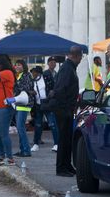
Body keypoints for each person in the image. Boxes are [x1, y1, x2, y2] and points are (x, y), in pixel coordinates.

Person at [51, 46, 83, 177]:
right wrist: (67, 108)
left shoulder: (69, 68)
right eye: (81, 57)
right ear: (76, 56)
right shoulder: (67, 68)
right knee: (63, 140)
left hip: (67, 109)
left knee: (67, 139)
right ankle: (61, 168)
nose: (81, 60)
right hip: (63, 109)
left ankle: (67, 165)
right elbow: (60, 89)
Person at [30, 66, 59, 152]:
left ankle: (56, 144)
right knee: (38, 125)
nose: (33, 74)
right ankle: (36, 143)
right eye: (32, 72)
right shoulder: (32, 82)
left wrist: (50, 96)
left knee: (52, 124)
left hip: (47, 104)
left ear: (38, 73)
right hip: (38, 105)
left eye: (34, 72)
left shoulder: (46, 79)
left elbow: (53, 88)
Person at [12, 59, 34, 157]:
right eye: (16, 65)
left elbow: (27, 87)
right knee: (19, 127)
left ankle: (26, 150)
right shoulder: (17, 76)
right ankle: (22, 149)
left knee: (21, 127)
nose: (17, 67)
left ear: (23, 66)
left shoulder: (27, 75)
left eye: (19, 65)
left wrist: (15, 86)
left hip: (24, 104)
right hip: (17, 103)